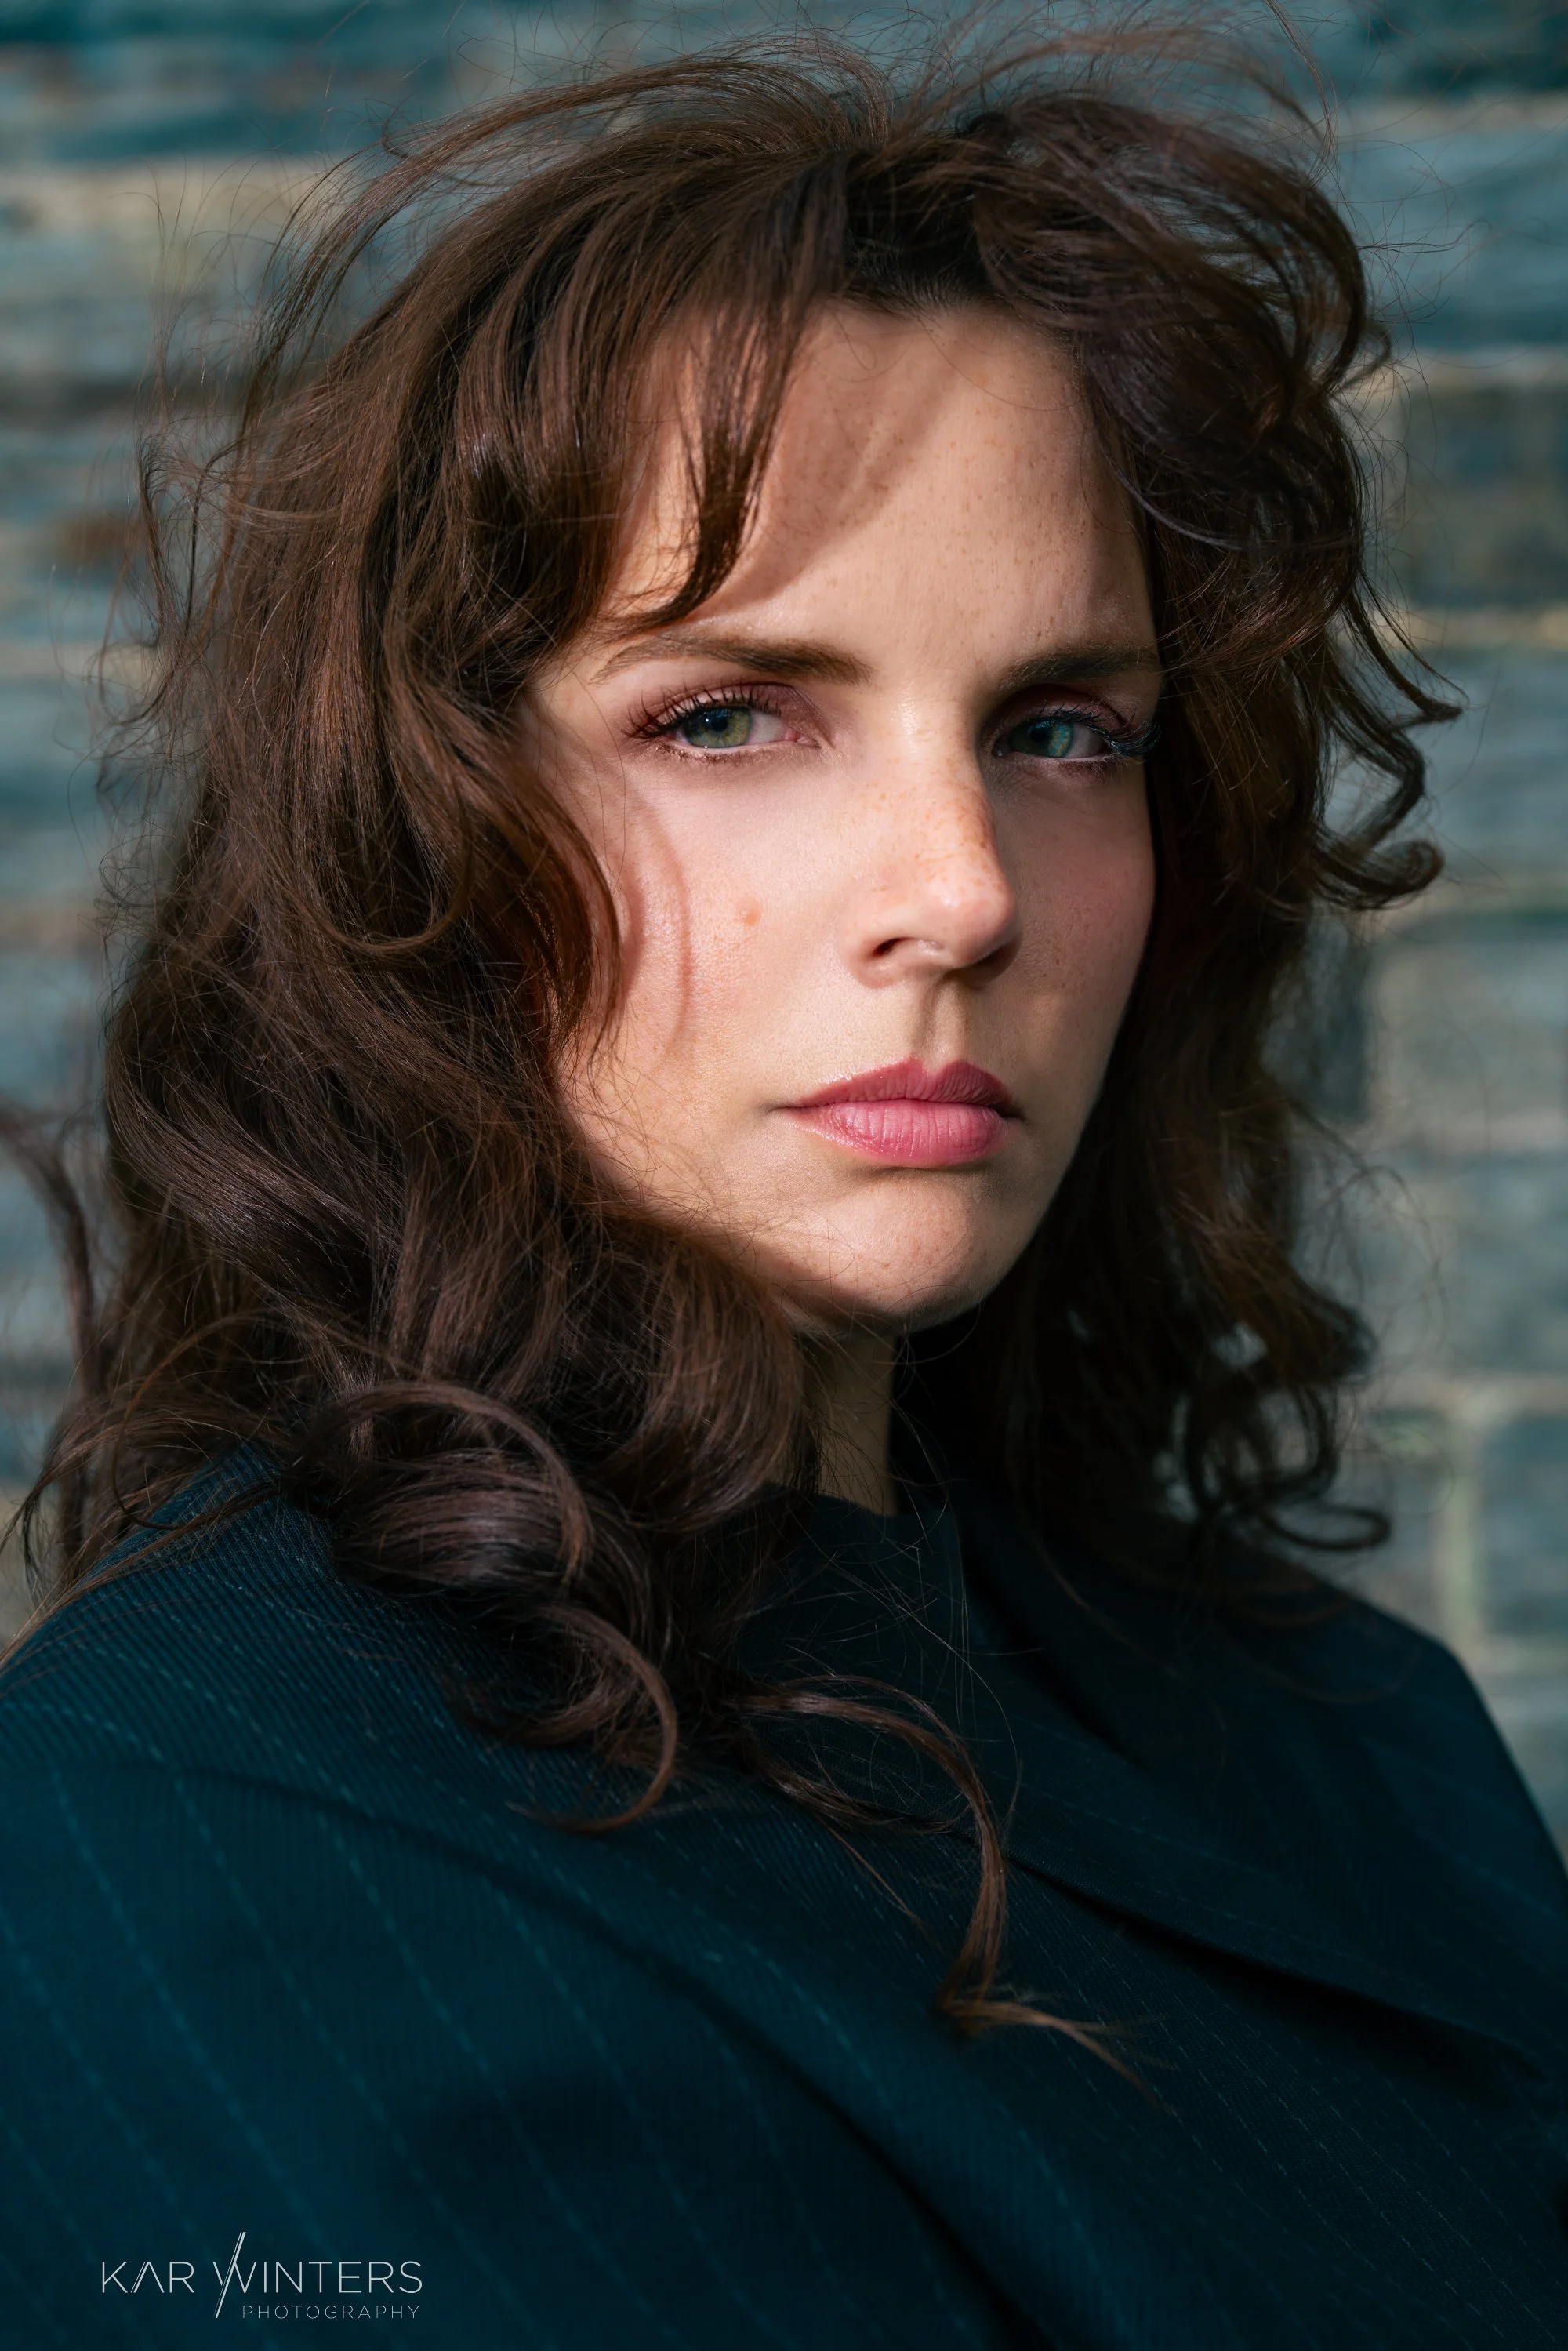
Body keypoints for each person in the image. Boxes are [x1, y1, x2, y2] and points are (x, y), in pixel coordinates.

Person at [1, 31, 1563, 2349]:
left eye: (1062, 729)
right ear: (421, 837)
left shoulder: (1337, 1716)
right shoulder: (185, 1824)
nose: (961, 889)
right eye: (728, 714)